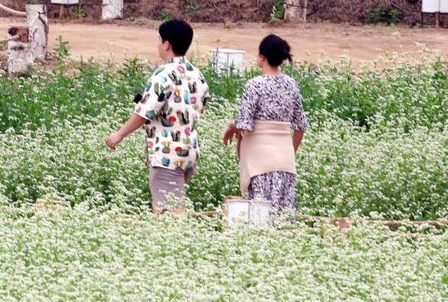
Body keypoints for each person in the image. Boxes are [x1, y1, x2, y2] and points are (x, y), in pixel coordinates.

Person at [106, 19, 210, 212]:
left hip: (167, 155)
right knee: (161, 203)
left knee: (169, 210)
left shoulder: (163, 75)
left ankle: (178, 241)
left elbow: (145, 111)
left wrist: (119, 134)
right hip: (189, 151)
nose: (158, 45)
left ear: (167, 44)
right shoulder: (197, 74)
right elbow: (201, 104)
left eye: (159, 40)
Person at [222, 34, 308, 215]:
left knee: (260, 219)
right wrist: (289, 152)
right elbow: (301, 125)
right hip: (285, 162)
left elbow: (244, 123)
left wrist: (231, 126)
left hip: (259, 163)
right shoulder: (292, 84)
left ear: (262, 57)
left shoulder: (254, 85)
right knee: (282, 220)